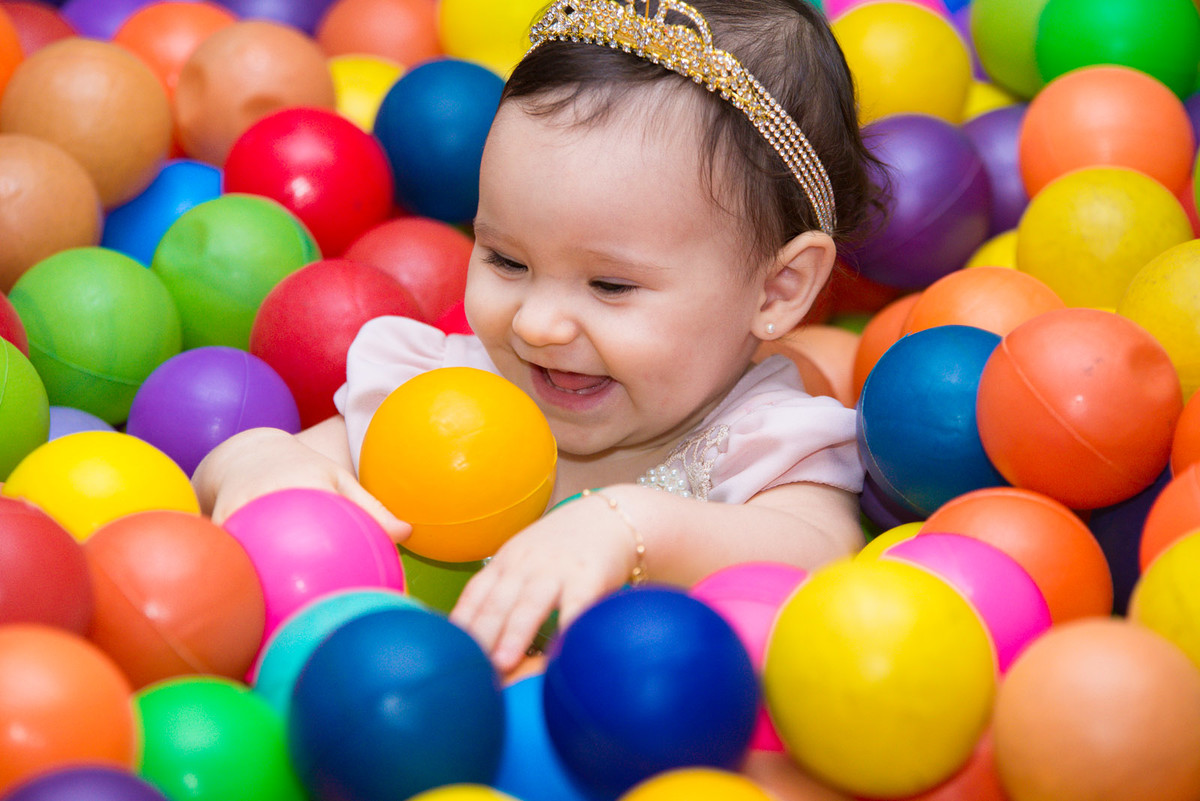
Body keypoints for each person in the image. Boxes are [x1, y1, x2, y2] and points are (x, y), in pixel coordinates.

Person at [194, 0, 881, 672]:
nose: (535, 324)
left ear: (777, 289)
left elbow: (821, 556)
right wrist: (259, 464)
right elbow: (262, 464)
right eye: (506, 260)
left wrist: (630, 525)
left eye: (610, 285)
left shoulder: (764, 445)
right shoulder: (440, 398)